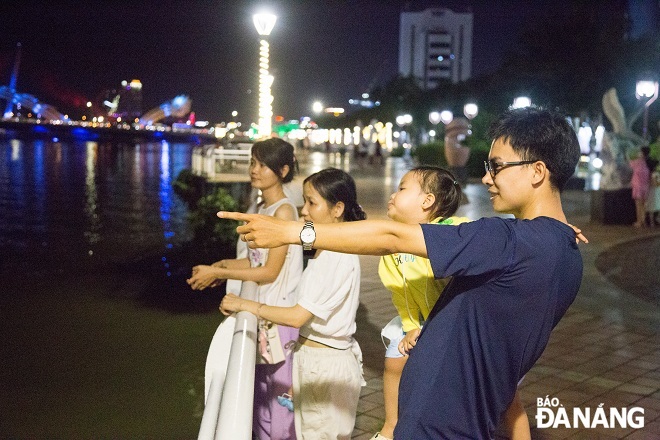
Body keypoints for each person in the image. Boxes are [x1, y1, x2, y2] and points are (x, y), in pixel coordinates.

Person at [218, 107, 585, 439]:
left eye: (497, 166)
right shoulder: (567, 256)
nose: (487, 178)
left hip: (436, 425)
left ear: (538, 171)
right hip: (468, 423)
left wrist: (291, 232)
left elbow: (392, 236)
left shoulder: (506, 240)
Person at [372, 166, 529, 440]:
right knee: (394, 362)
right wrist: (410, 326)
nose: (393, 195)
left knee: (506, 395)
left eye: (402, 188)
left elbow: (499, 238)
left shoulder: (452, 230)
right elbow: (401, 294)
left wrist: (556, 232)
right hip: (424, 323)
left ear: (427, 201)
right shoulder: (393, 248)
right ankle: (390, 428)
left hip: (467, 325)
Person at [220, 168, 366, 440]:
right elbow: (294, 237)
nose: (304, 211)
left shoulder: (335, 254)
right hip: (316, 359)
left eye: (312, 203)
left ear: (337, 209)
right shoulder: (325, 244)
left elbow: (298, 316)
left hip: (325, 364)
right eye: (304, 201)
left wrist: (246, 304)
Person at [188, 137, 302, 440]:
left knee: (278, 407)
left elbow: (270, 270)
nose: (254, 169)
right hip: (260, 318)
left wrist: (218, 270)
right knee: (259, 403)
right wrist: (218, 268)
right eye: (253, 162)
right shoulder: (259, 205)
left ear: (283, 170)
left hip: (276, 321)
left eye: (262, 164)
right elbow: (251, 260)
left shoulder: (283, 213)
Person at [629, 146, 652, 228]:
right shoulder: (649, 162)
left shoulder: (638, 162)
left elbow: (629, 163)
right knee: (643, 205)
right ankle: (643, 221)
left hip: (638, 186)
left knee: (638, 205)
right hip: (645, 186)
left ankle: (639, 222)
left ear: (642, 153)